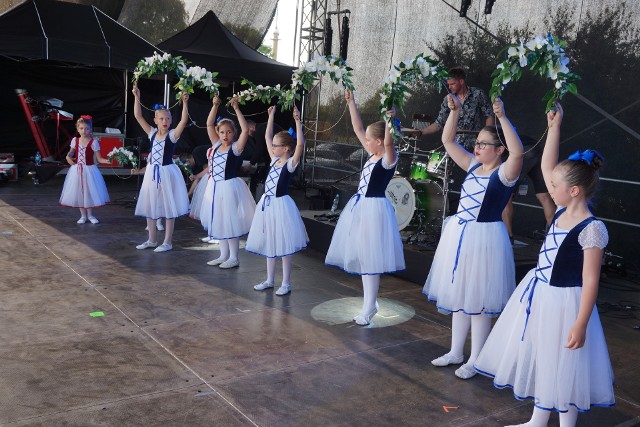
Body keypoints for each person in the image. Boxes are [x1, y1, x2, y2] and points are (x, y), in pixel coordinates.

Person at [474, 104, 614, 427]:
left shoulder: (592, 228)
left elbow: (591, 281)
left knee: (567, 364)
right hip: (540, 297)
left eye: (556, 186)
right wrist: (554, 128)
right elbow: (549, 164)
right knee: (544, 357)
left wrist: (580, 323)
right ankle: (538, 419)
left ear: (574, 191)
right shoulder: (563, 211)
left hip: (568, 304)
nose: (550, 187)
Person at [422, 95, 523, 379]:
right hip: (461, 236)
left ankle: (477, 359)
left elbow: (518, 153)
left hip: (486, 239)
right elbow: (448, 141)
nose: (476, 147)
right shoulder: (473, 165)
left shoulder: (505, 173)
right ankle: (456, 351)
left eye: (483, 144)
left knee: (478, 302)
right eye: (477, 142)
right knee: (460, 295)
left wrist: (501, 116)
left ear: (499, 149)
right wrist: (454, 112)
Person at [325, 90, 405, 326]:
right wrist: (351, 103)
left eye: (370, 140)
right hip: (360, 208)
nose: (365, 142)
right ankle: (370, 302)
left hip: (375, 210)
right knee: (363, 256)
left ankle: (370, 305)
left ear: (380, 142)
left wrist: (390, 122)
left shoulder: (388, 158)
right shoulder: (372, 153)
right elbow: (358, 128)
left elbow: (389, 142)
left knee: (370, 258)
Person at [246, 105, 308, 296]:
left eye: (275, 146)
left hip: (281, 206)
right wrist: (270, 116)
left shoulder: (289, 164)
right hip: (267, 205)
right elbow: (266, 136)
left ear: (286, 148)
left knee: (284, 245)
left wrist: (298, 122)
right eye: (273, 146)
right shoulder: (274, 159)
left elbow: (300, 145)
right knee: (270, 242)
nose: (272, 148)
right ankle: (269, 279)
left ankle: (286, 282)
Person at [130, 86, 190, 252]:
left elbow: (184, 121)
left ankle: (167, 242)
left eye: (168, 119)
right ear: (156, 120)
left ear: (171, 121)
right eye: (161, 118)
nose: (165, 121)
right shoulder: (152, 133)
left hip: (166, 173)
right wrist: (137, 96)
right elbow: (138, 115)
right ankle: (151, 240)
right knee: (150, 205)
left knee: (168, 207)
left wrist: (185, 103)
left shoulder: (172, 135)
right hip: (152, 173)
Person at [200, 96, 256, 269]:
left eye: (229, 132)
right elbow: (209, 124)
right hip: (214, 187)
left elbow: (245, 130)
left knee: (230, 220)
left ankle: (234, 257)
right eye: (222, 132)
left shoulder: (235, 148)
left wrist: (237, 108)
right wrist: (215, 105)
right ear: (218, 133)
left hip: (229, 187)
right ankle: (223, 255)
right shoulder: (216, 145)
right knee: (220, 220)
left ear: (234, 133)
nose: (225, 135)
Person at [415, 67, 494, 150]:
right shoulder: (448, 99)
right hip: (454, 147)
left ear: (461, 81)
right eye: (448, 84)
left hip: (475, 145)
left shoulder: (477, 94)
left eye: (452, 84)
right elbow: (438, 124)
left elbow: (489, 115)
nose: (449, 87)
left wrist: (486, 137)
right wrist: (421, 132)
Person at [501, 135, 557, 241]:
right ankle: (557, 235)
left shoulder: (497, 139)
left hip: (524, 150)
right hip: (536, 148)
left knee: (506, 195)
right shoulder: (509, 133)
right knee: (544, 196)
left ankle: (508, 237)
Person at [60, 115, 111, 223]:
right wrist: (68, 156)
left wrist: (106, 161)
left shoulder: (94, 142)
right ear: (78, 129)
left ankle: (91, 215)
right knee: (80, 192)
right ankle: (83, 216)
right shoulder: (75, 141)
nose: (84, 131)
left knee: (89, 192)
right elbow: (71, 152)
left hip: (89, 170)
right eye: (81, 128)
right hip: (77, 170)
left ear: (90, 129)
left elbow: (99, 158)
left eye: (87, 128)